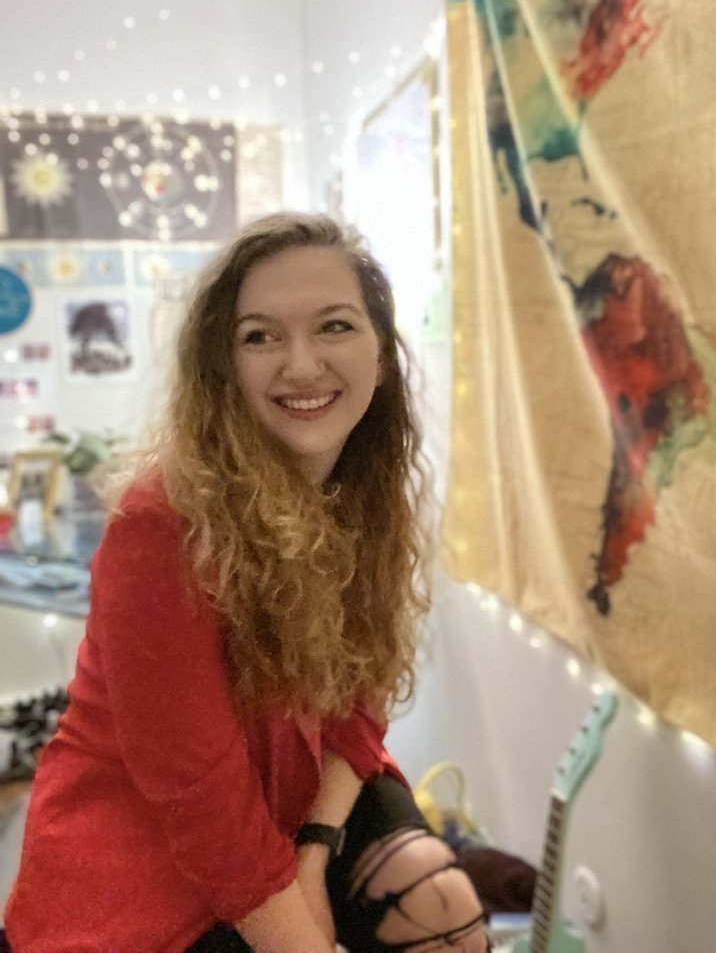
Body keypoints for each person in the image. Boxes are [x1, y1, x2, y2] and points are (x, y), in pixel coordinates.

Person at [3, 213, 489, 952]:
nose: (301, 365)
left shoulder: (366, 496)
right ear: (223, 366)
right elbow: (197, 791)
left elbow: (362, 696)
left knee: (438, 901)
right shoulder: (160, 525)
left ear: (382, 353)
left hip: (292, 796)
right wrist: (296, 932)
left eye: (334, 326)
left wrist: (316, 851)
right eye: (260, 336)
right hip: (146, 845)